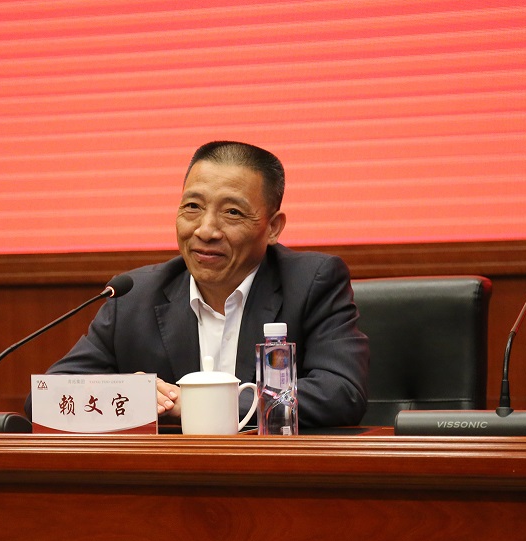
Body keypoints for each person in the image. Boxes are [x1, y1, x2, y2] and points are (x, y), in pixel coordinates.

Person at [36, 141, 369, 428]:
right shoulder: (134, 295)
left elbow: (341, 392)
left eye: (233, 212)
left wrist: (203, 405)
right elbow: (47, 398)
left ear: (273, 228)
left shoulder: (311, 282)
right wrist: (126, 395)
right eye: (193, 207)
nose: (206, 230)